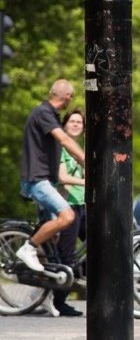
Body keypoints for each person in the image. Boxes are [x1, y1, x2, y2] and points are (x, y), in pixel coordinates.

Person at [18, 79, 87, 317]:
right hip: (37, 180)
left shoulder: (49, 114)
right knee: (67, 216)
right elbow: (65, 141)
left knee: (55, 240)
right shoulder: (44, 113)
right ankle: (27, 247)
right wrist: (89, 163)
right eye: (72, 96)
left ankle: (43, 295)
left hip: (44, 180)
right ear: (66, 96)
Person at [56, 108, 87, 283]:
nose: (76, 124)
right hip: (68, 204)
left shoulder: (79, 149)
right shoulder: (61, 148)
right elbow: (62, 177)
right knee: (66, 254)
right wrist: (86, 182)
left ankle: (78, 272)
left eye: (79, 122)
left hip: (81, 204)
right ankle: (60, 300)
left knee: (102, 240)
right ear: (64, 125)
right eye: (72, 121)